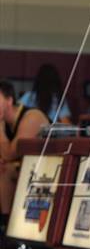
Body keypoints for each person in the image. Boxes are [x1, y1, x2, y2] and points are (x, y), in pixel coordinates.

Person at [0, 80, 49, 232]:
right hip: (26, 167)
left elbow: (9, 154)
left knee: (6, 171)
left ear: (9, 100)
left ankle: (6, 226)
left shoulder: (31, 117)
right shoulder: (5, 122)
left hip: (49, 167)